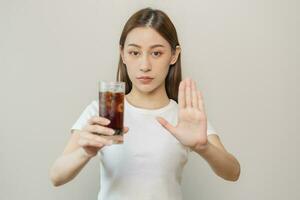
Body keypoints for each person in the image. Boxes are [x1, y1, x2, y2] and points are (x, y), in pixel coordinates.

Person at [49, 7, 240, 200]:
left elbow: (233, 172)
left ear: (174, 55)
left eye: (156, 53)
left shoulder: (184, 116)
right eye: (134, 53)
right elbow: (56, 176)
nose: (145, 65)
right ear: (122, 54)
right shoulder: (105, 111)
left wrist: (203, 147)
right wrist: (85, 152)